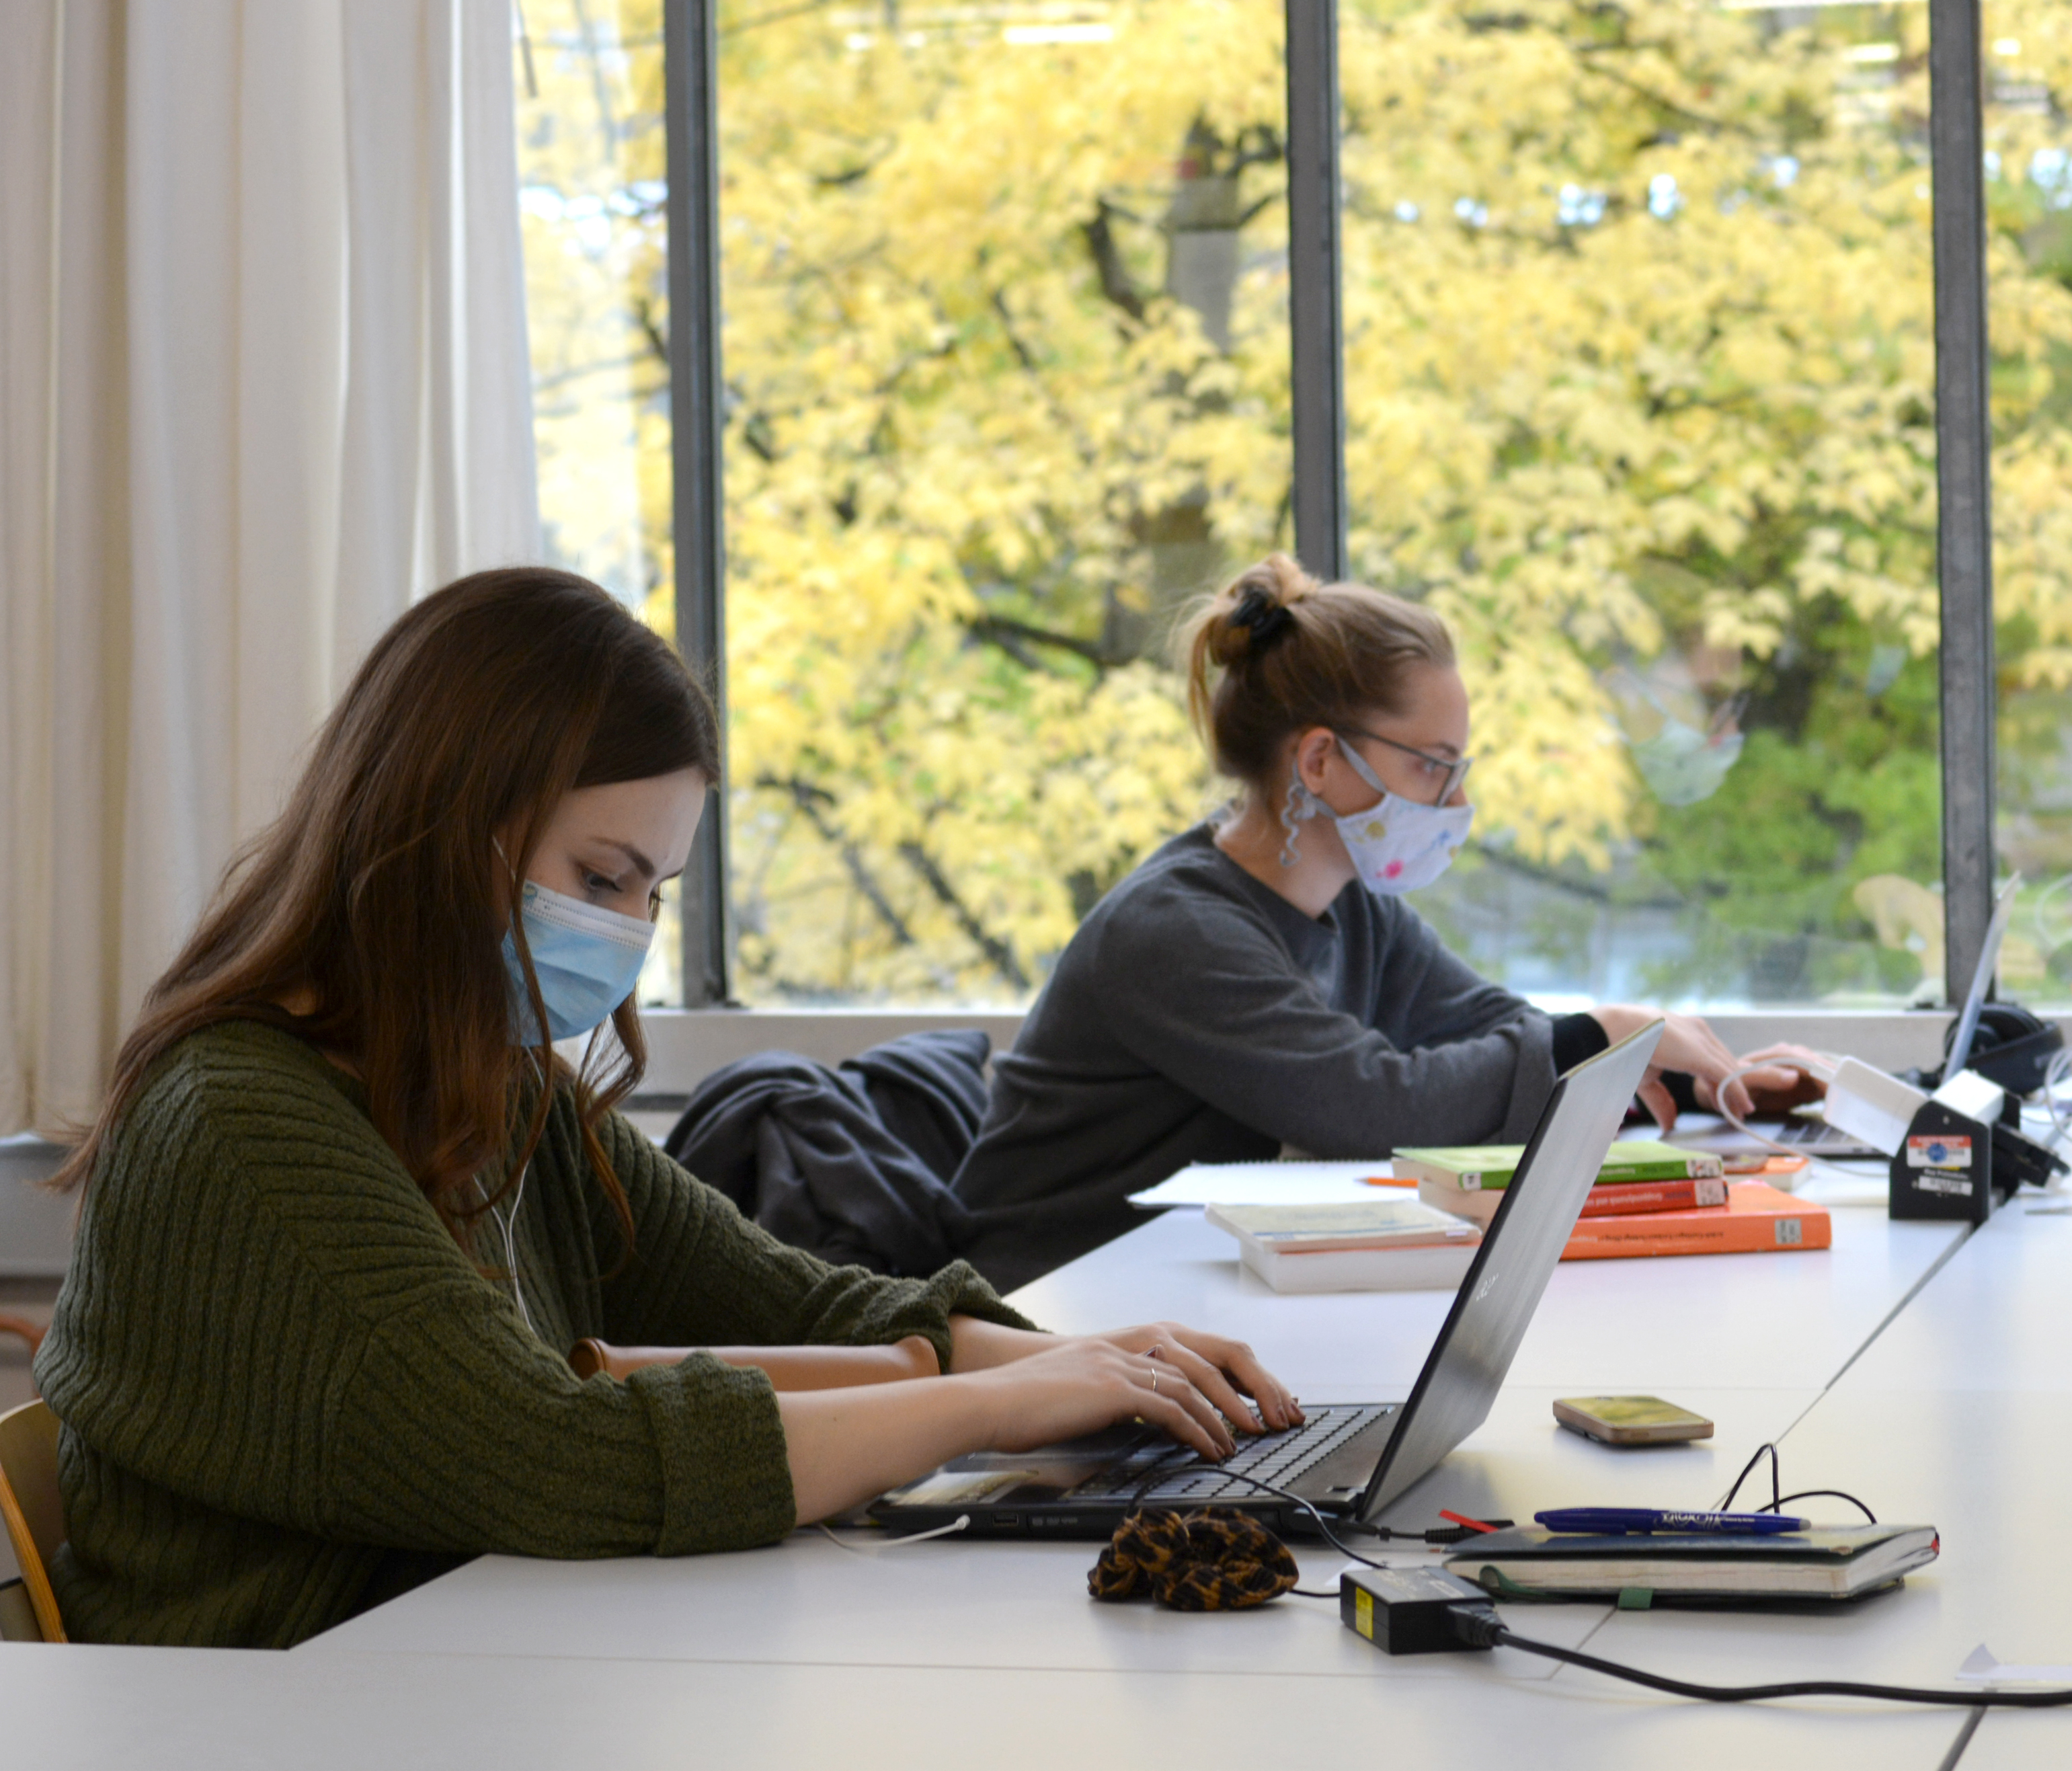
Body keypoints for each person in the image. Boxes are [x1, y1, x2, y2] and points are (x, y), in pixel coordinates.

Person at [33, 568, 1300, 1650]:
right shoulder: (239, 1124)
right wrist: (983, 1405)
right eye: (601, 876)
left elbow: (787, 1299)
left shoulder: (488, 1084)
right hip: (277, 1713)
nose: (627, 934)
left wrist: (1100, 1368)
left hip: (465, 1662)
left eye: (653, 892)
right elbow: (550, 1456)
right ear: (440, 825)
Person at [953, 555, 1818, 1288]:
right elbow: (1367, 1103)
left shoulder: (1352, 908)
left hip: (1172, 1293)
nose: (1460, 800)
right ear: (1322, 760)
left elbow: (1490, 1029)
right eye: (1434, 766)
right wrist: (1598, 1036)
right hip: (1051, 1305)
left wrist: (1660, 1072)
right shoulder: (1174, 931)